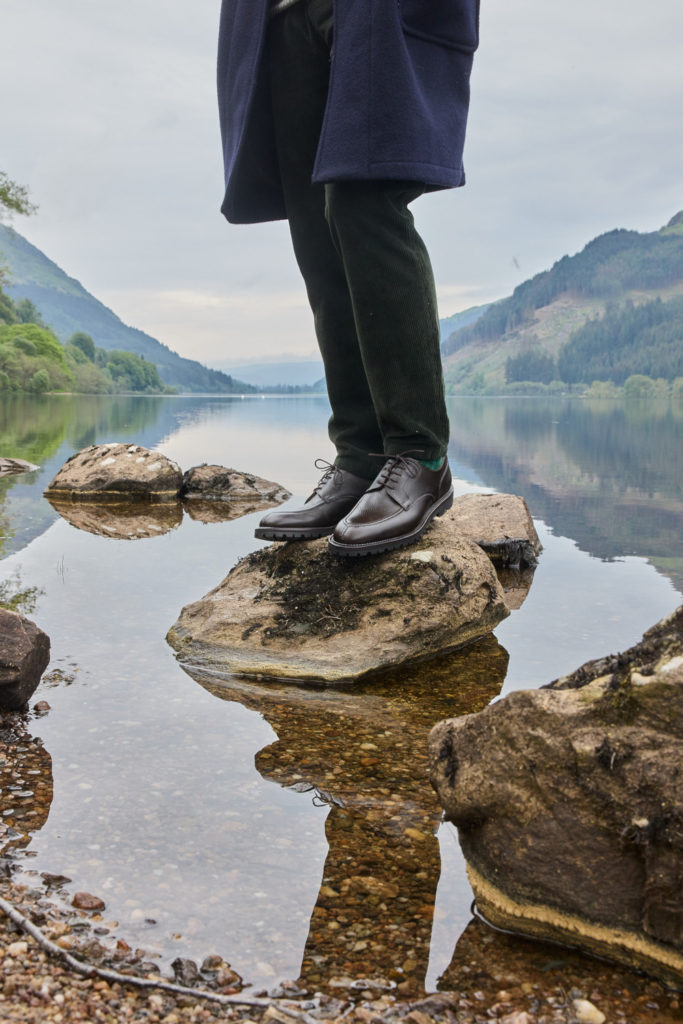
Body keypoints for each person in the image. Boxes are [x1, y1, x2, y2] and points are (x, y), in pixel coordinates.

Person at [217, 0, 479, 556]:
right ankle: (361, 459)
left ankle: (421, 456)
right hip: (277, 13)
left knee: (363, 199)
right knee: (314, 224)